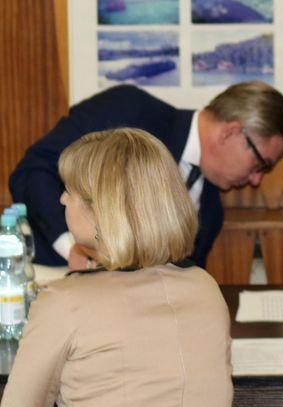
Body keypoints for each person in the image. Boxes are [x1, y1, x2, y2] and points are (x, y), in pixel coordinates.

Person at [1, 128, 233, 406]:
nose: (62, 199)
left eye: (69, 190)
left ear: (101, 210)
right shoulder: (206, 287)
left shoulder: (65, 302)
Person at [9, 81, 283, 270]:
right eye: (261, 164)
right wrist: (74, 249)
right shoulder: (129, 110)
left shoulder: (210, 212)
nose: (256, 180)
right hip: (47, 275)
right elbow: (33, 171)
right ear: (232, 132)